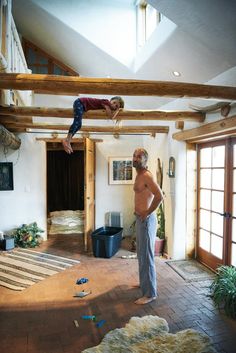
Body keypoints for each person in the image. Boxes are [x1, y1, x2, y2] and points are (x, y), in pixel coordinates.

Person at [133, 148, 163, 305]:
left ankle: (150, 293)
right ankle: (144, 283)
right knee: (141, 254)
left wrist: (147, 213)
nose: (135, 158)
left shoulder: (147, 176)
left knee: (147, 256)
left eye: (139, 157)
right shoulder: (138, 175)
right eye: (134, 156)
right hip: (140, 220)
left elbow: (160, 196)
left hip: (146, 221)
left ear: (145, 160)